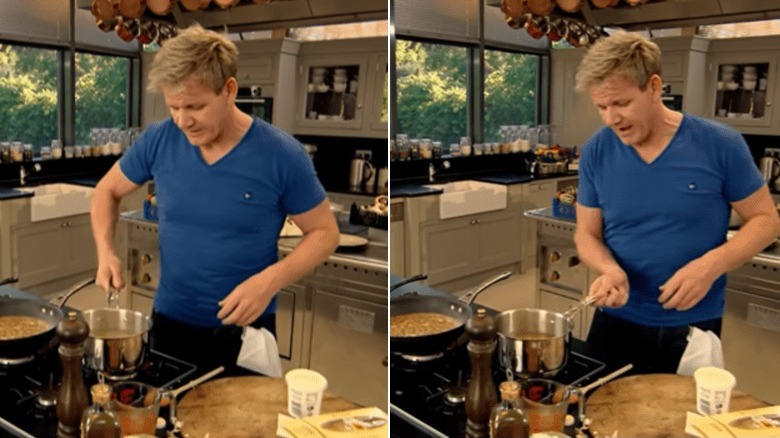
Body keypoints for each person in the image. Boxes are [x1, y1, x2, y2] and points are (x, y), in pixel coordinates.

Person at [90, 25, 340, 375]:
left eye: (195, 106)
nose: (182, 120)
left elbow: (325, 233)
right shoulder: (160, 139)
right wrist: (105, 252)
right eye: (174, 106)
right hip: (169, 323)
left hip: (245, 333)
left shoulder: (282, 154)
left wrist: (269, 281)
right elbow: (106, 191)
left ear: (229, 90)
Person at [573, 31, 780, 374]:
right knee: (600, 422)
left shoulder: (719, 143)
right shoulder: (597, 149)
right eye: (602, 106)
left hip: (694, 325)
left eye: (621, 103)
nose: (611, 118)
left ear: (654, 87)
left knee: (684, 424)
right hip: (615, 318)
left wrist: (710, 266)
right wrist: (608, 269)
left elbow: (766, 220)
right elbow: (586, 234)